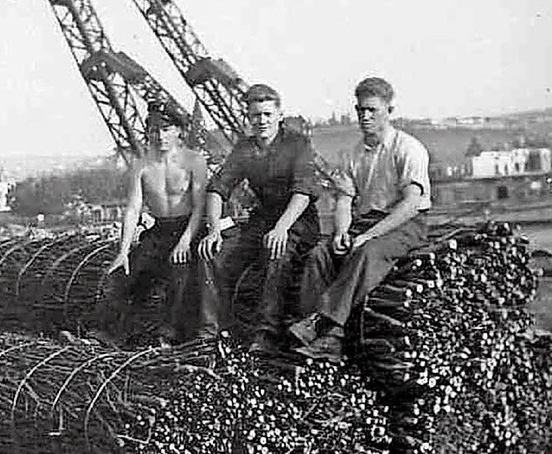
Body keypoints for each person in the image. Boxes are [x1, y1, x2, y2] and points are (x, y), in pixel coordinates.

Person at [289, 77, 431, 360]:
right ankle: (315, 332)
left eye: (372, 110)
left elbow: (411, 203)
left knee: (367, 252)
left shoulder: (408, 148)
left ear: (389, 110)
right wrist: (342, 230)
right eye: (360, 110)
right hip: (366, 220)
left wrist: (370, 234)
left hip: (404, 223)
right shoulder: (354, 154)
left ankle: (327, 327)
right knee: (320, 254)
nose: (365, 117)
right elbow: (344, 199)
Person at [197, 83, 321, 354]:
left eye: (267, 114)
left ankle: (267, 334)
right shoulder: (245, 149)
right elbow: (218, 188)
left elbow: (303, 193)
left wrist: (281, 228)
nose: (261, 121)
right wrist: (214, 229)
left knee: (276, 253)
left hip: (297, 221)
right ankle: (212, 331)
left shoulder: (297, 144)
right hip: (261, 221)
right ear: (248, 118)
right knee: (212, 254)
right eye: (255, 116)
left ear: (279, 115)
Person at [95, 108, 208, 345]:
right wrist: (124, 251)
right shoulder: (141, 166)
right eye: (154, 130)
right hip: (158, 230)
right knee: (130, 271)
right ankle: (109, 333)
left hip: (188, 228)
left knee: (180, 272)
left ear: (179, 131)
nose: (160, 136)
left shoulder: (194, 161)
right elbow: (133, 209)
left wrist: (185, 241)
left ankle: (168, 337)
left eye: (166, 129)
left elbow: (199, 207)